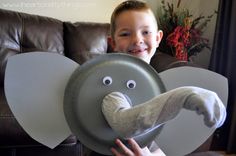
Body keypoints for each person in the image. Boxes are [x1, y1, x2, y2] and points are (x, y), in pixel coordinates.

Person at [107, 0, 165, 155]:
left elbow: (163, 143)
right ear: (112, 43)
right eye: (125, 34)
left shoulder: (161, 86)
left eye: (146, 32)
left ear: (158, 38)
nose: (137, 40)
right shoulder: (105, 83)